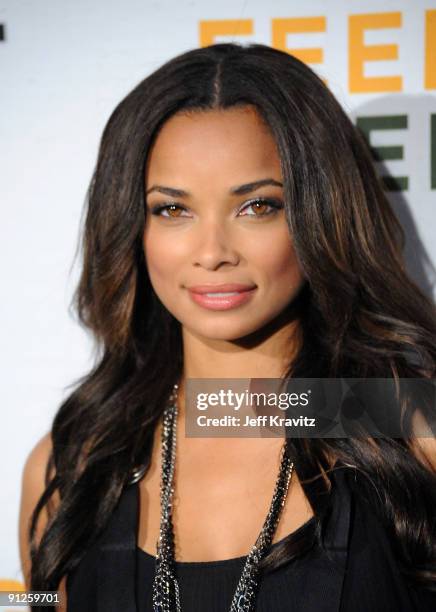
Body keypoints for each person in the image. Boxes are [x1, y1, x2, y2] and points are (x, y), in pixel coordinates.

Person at [19, 42, 436, 612]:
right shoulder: (73, 462)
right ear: (130, 228)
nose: (212, 252)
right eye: (172, 209)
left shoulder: (405, 425)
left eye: (257, 206)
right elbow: (33, 605)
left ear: (320, 211)